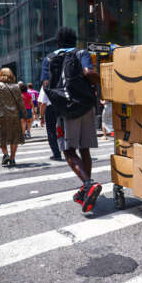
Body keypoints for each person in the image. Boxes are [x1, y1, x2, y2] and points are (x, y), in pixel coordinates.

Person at [41, 27, 101, 212]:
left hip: (65, 110)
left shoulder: (49, 58)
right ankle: (87, 188)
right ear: (74, 40)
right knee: (85, 149)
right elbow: (88, 73)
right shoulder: (81, 52)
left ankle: (88, 184)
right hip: (85, 106)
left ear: (58, 42)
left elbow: (45, 85)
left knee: (68, 151)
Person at [0, 68, 27, 166]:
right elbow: (21, 103)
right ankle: (13, 158)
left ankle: (6, 154)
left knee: (1, 136)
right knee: (14, 137)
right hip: (15, 115)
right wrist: (24, 115)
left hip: (2, 115)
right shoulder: (16, 86)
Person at [38, 84, 62, 160]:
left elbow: (43, 104)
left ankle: (56, 153)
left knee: (51, 131)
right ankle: (68, 151)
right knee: (63, 130)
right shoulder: (59, 81)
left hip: (50, 109)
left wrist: (41, 117)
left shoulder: (45, 86)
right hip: (60, 107)